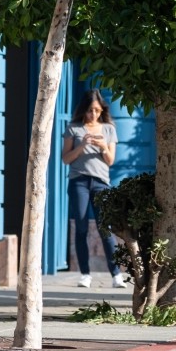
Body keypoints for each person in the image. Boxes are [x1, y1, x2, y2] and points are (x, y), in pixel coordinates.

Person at [61, 89, 126, 289]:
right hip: (79, 181)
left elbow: (110, 160)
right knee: (81, 227)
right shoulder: (74, 128)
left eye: (97, 111)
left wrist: (102, 147)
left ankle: (116, 275)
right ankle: (85, 274)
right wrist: (82, 145)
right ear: (84, 110)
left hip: (101, 183)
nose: (94, 115)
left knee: (104, 228)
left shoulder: (108, 129)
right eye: (90, 111)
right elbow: (66, 159)